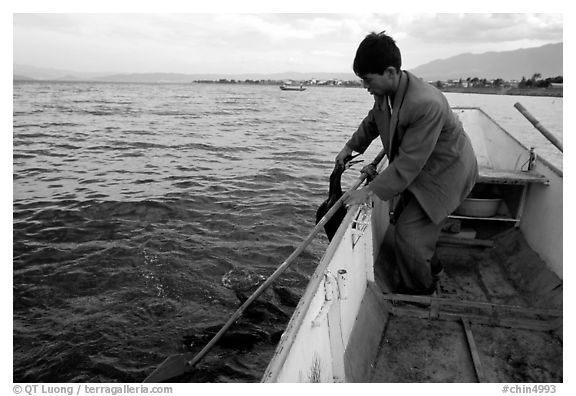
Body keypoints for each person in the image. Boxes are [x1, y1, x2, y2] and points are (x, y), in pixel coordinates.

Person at [338, 31, 478, 295]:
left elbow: (409, 163)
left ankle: (420, 292)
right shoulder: (387, 92)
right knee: (406, 221)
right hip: (423, 169)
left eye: (367, 80)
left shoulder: (426, 103)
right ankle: (433, 267)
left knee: (409, 235)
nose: (365, 86)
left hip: (447, 173)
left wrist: (368, 192)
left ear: (390, 72)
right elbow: (373, 122)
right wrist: (350, 147)